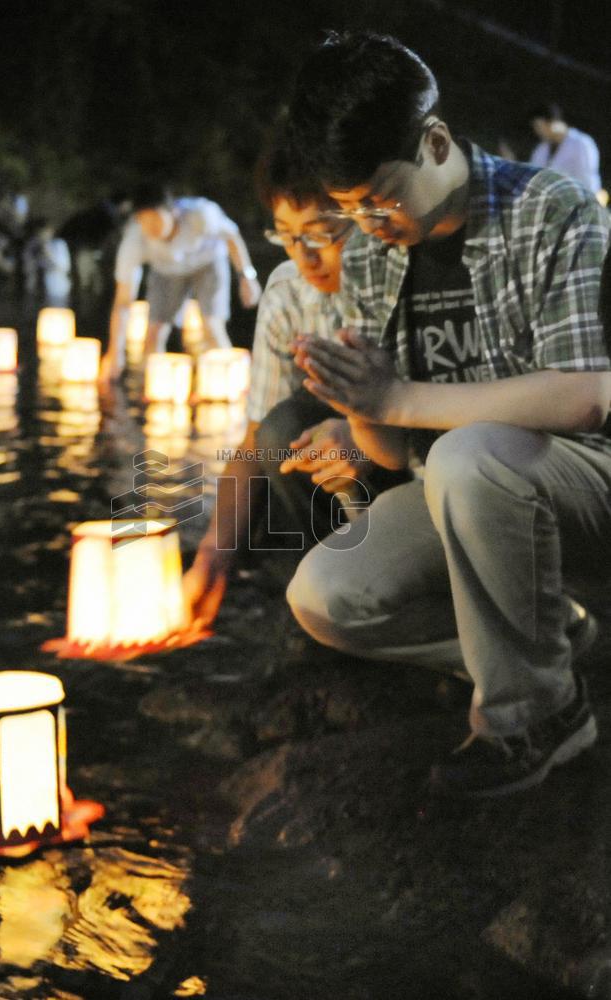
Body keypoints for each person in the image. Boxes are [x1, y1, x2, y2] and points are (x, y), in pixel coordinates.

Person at [284, 31, 611, 798]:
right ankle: (548, 640)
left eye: (379, 196)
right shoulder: (371, 252)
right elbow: (397, 456)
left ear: (433, 141)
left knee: (471, 457)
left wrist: (400, 398)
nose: (367, 221)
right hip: (462, 490)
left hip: (584, 475)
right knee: (327, 597)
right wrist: (357, 404)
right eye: (347, 207)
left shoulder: (548, 208)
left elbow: (586, 395)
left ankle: (536, 715)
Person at [183, 132, 407, 629]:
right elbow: (253, 440)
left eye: (322, 233)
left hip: (413, 465)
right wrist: (213, 557)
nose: (305, 257)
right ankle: (310, 609)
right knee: (280, 435)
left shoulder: (408, 276)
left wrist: (369, 440)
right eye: (287, 235)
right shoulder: (287, 292)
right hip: (331, 482)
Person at [100, 184, 262, 382]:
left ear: (173, 211)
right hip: (166, 271)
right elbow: (123, 301)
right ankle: (155, 388)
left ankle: (229, 384)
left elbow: (231, 236)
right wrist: (115, 351)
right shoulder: (135, 240)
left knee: (212, 325)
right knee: (154, 331)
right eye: (143, 220)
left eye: (155, 217)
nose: (150, 226)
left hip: (209, 262)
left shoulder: (200, 214)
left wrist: (247, 277)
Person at [529, 102, 601, 195]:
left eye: (539, 126)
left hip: (580, 202)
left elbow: (588, 180)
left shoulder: (581, 144)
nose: (537, 131)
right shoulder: (541, 149)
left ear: (552, 123)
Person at [22, 218, 72, 306]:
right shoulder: (32, 246)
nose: (42, 235)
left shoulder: (58, 245)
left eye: (44, 232)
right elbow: (27, 268)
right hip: (35, 292)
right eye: (39, 233)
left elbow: (64, 268)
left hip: (57, 291)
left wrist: (48, 254)